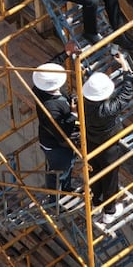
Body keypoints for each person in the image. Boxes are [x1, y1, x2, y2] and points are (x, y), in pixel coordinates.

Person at [83, 70, 133, 225]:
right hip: (108, 146)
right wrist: (127, 74)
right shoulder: (107, 110)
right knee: (110, 177)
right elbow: (125, 95)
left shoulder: (83, 103)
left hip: (91, 142)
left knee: (95, 172)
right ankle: (109, 211)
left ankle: (96, 201)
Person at [32, 62, 78, 191]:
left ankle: (65, 189)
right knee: (60, 172)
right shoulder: (52, 107)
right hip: (56, 145)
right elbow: (61, 132)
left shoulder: (39, 90)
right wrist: (73, 114)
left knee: (58, 169)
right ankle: (56, 199)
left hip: (49, 141)